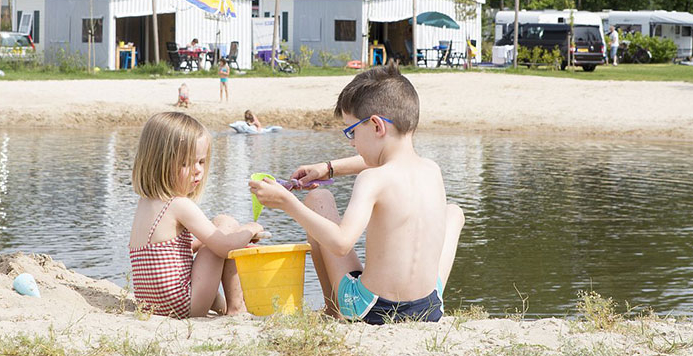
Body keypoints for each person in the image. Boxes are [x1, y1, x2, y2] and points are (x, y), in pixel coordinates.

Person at [249, 63, 465, 325]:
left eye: (352, 131)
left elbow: (341, 243)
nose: (351, 142)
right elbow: (386, 163)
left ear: (376, 126)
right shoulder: (432, 170)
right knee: (453, 213)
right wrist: (328, 169)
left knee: (319, 199)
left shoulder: (372, 179)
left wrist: (288, 203)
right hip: (430, 307)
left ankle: (333, 310)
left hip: (372, 309)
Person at [127, 112, 265, 318]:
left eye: (201, 161)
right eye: (186, 164)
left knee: (214, 231)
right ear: (158, 163)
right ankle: (237, 309)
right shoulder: (179, 204)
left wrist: (210, 241)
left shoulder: (145, 202)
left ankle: (223, 306)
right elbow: (226, 246)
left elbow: (170, 251)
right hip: (182, 305)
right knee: (225, 224)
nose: (198, 170)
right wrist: (251, 228)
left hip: (149, 304)